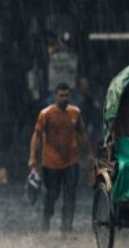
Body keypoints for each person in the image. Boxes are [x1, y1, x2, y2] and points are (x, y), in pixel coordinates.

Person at [28, 82, 94, 234]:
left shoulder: (75, 112)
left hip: (72, 160)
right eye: (61, 95)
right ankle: (46, 216)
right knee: (53, 194)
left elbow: (81, 133)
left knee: (70, 196)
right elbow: (37, 135)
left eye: (67, 95)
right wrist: (32, 157)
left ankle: (66, 229)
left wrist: (89, 153)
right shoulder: (46, 114)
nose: (64, 98)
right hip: (50, 161)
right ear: (55, 96)